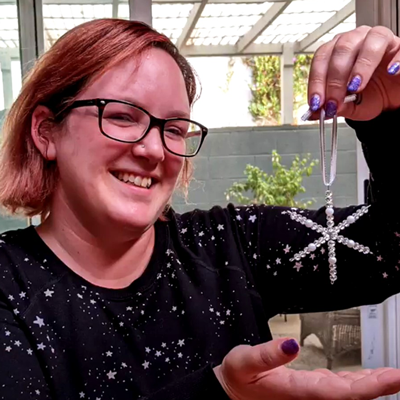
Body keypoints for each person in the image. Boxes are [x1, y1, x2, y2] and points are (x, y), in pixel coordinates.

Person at [0, 18, 400, 400]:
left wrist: (391, 117)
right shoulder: (8, 285)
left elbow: (390, 248)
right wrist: (220, 391)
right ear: (45, 132)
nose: (154, 150)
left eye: (174, 129)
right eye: (121, 116)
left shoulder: (231, 244)